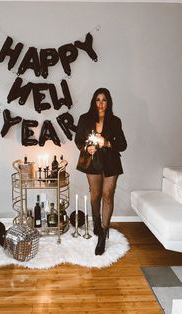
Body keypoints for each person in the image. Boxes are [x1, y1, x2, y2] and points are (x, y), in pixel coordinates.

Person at [75, 88, 127, 255]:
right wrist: (86, 147)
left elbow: (123, 145)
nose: (101, 103)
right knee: (95, 195)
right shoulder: (84, 119)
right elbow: (78, 140)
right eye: (98, 99)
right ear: (93, 101)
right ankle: (97, 220)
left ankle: (103, 234)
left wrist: (108, 143)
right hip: (92, 161)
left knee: (107, 195)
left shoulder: (115, 121)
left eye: (104, 100)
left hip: (111, 161)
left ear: (108, 102)